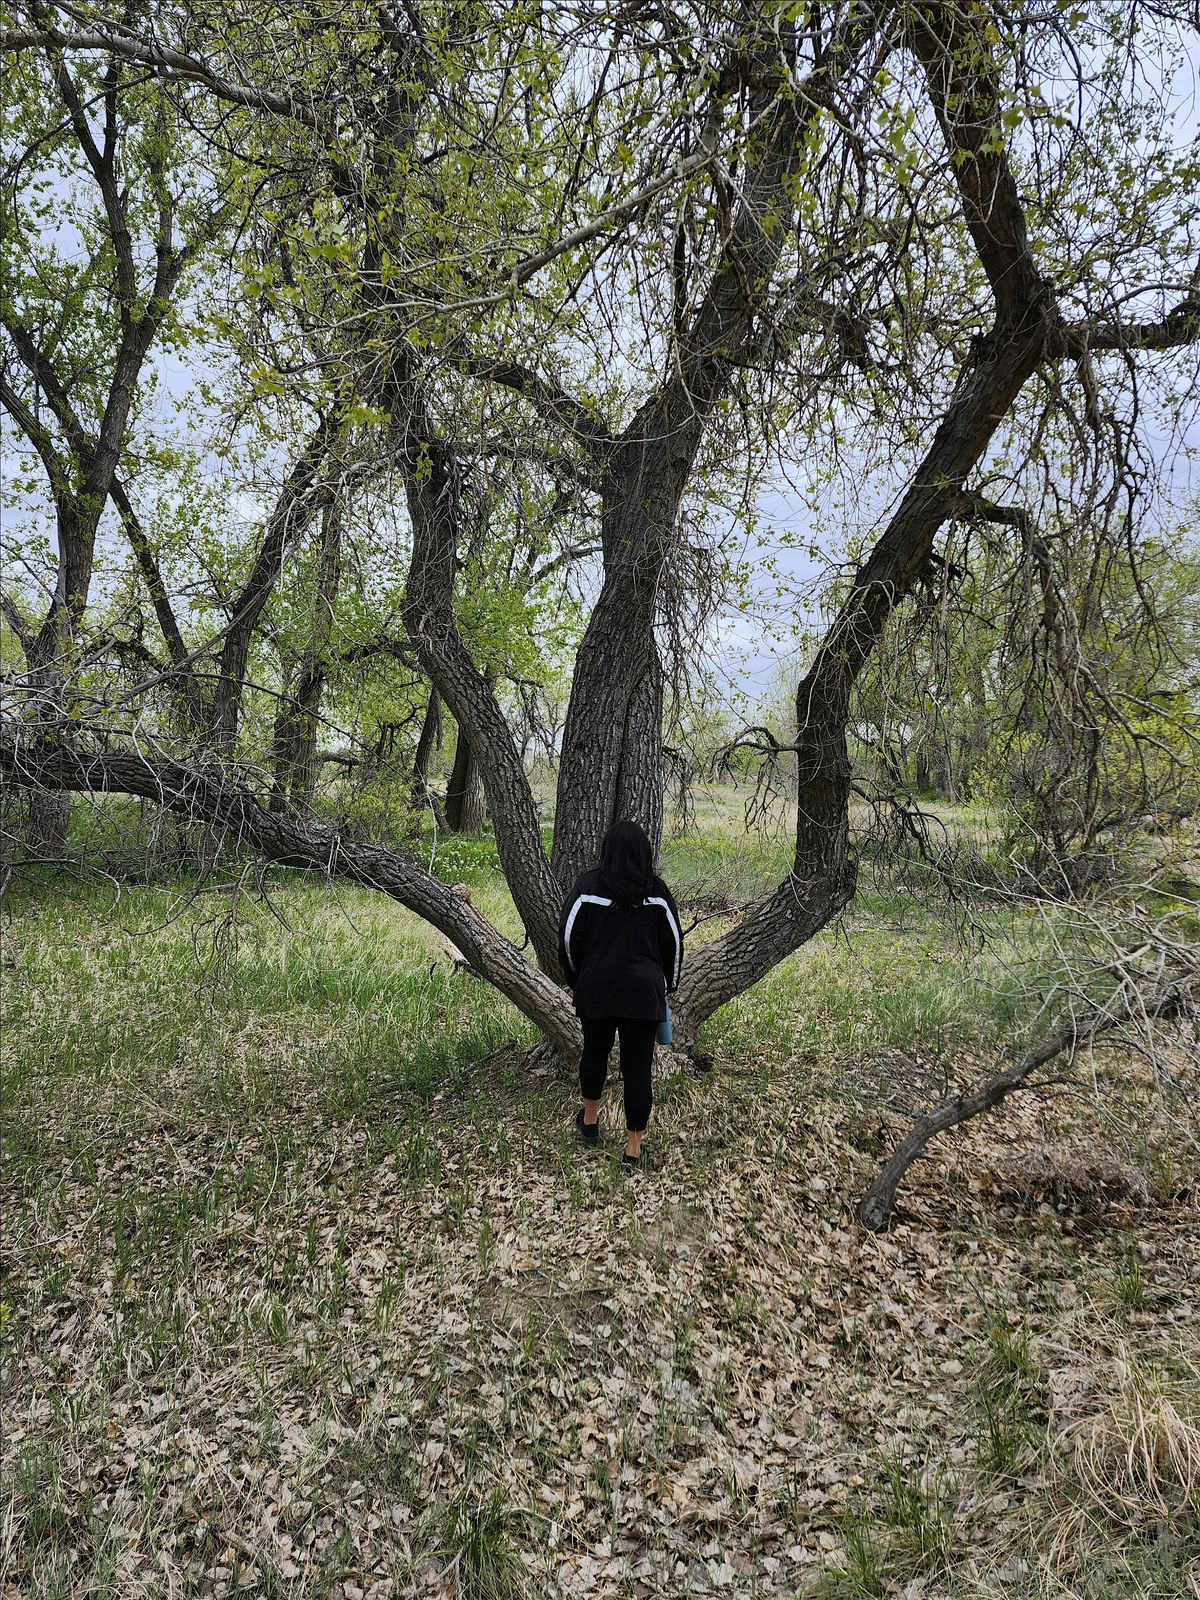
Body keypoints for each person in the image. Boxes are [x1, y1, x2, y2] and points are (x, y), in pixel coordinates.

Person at [557, 820, 684, 1166]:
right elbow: (673, 944)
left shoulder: (587, 887)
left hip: (596, 988)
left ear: (606, 851)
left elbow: (568, 939)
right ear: (645, 852)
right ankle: (633, 1150)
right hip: (643, 994)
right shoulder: (657, 893)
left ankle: (589, 1124)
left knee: (594, 1053)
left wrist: (577, 979)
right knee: (638, 1069)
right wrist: (668, 985)